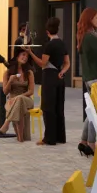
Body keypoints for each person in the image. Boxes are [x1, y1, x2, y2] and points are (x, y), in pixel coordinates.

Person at [76, 8, 97, 157]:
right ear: (90, 19)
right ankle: (91, 143)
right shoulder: (91, 37)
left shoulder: (84, 36)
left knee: (92, 110)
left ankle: (84, 142)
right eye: (96, 17)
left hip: (89, 78)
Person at [31, 16, 68, 146]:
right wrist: (62, 72)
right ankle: (60, 137)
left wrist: (31, 53)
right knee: (59, 107)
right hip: (59, 77)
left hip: (49, 77)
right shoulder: (62, 43)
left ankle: (49, 138)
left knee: (48, 107)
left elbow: (42, 63)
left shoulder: (49, 45)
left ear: (47, 32)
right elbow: (67, 63)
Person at [0, 49, 36, 142]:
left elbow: (31, 91)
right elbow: (5, 92)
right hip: (12, 101)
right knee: (19, 105)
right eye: (23, 55)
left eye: (27, 56)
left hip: (26, 100)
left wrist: (18, 97)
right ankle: (20, 138)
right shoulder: (7, 73)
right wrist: (10, 80)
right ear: (17, 56)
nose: (25, 57)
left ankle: (6, 123)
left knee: (20, 99)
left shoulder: (29, 73)